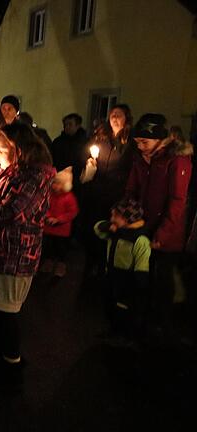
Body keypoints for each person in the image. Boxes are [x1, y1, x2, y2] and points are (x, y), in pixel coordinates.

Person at [0, 122, 54, 391]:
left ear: (17, 150)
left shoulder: (35, 177)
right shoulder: (8, 171)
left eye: (0, 150)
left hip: (15, 258)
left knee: (5, 316)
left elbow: (11, 212)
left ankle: (11, 369)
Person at [125, 113, 192, 344]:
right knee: (142, 279)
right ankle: (141, 325)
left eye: (145, 142)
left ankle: (164, 330)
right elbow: (131, 192)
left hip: (166, 236)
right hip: (143, 228)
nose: (140, 146)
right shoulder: (142, 159)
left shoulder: (176, 161)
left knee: (162, 282)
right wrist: (125, 217)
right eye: (137, 142)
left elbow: (177, 201)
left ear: (160, 139)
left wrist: (162, 234)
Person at [80, 104, 136, 278]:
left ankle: (106, 266)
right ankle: (91, 263)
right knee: (94, 228)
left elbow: (131, 168)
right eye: (112, 114)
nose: (114, 118)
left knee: (111, 230)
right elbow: (88, 155)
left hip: (116, 194)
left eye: (119, 115)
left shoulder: (130, 142)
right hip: (97, 192)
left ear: (126, 118)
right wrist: (91, 164)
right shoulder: (102, 137)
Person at [94, 198, 150, 342]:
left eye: (115, 216)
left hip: (127, 280)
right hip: (111, 274)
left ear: (127, 219)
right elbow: (97, 228)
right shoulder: (116, 230)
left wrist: (138, 285)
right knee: (109, 304)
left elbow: (142, 266)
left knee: (123, 309)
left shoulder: (140, 240)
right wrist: (108, 226)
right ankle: (113, 330)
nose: (111, 218)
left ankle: (124, 335)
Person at [41, 167, 79, 277]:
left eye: (59, 184)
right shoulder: (50, 195)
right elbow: (45, 206)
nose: (55, 186)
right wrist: (48, 216)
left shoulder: (69, 197)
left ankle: (60, 265)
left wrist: (59, 219)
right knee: (49, 247)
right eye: (54, 183)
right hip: (48, 227)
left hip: (62, 230)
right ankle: (48, 263)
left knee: (60, 249)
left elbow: (72, 212)